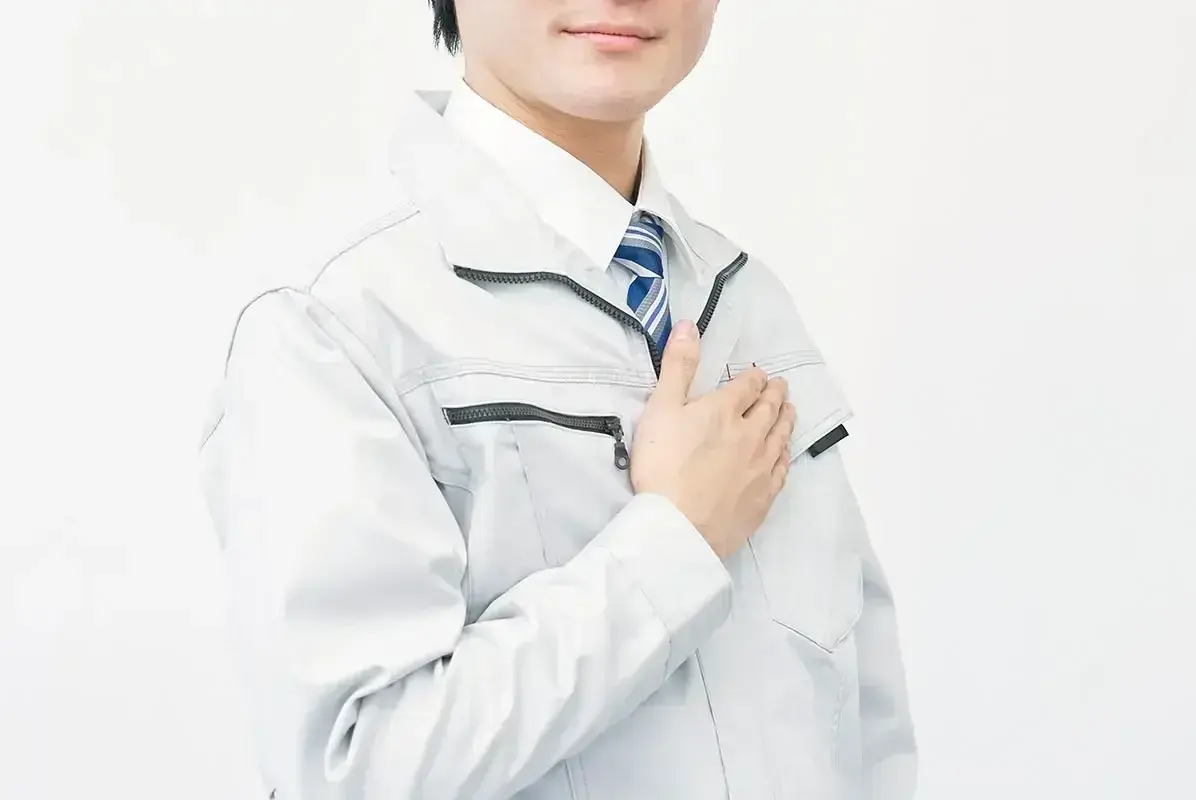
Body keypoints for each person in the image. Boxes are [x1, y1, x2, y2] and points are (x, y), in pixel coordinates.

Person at [197, 1, 916, 797]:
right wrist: (675, 542)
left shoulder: (750, 301)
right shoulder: (340, 331)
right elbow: (356, 766)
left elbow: (865, 729)